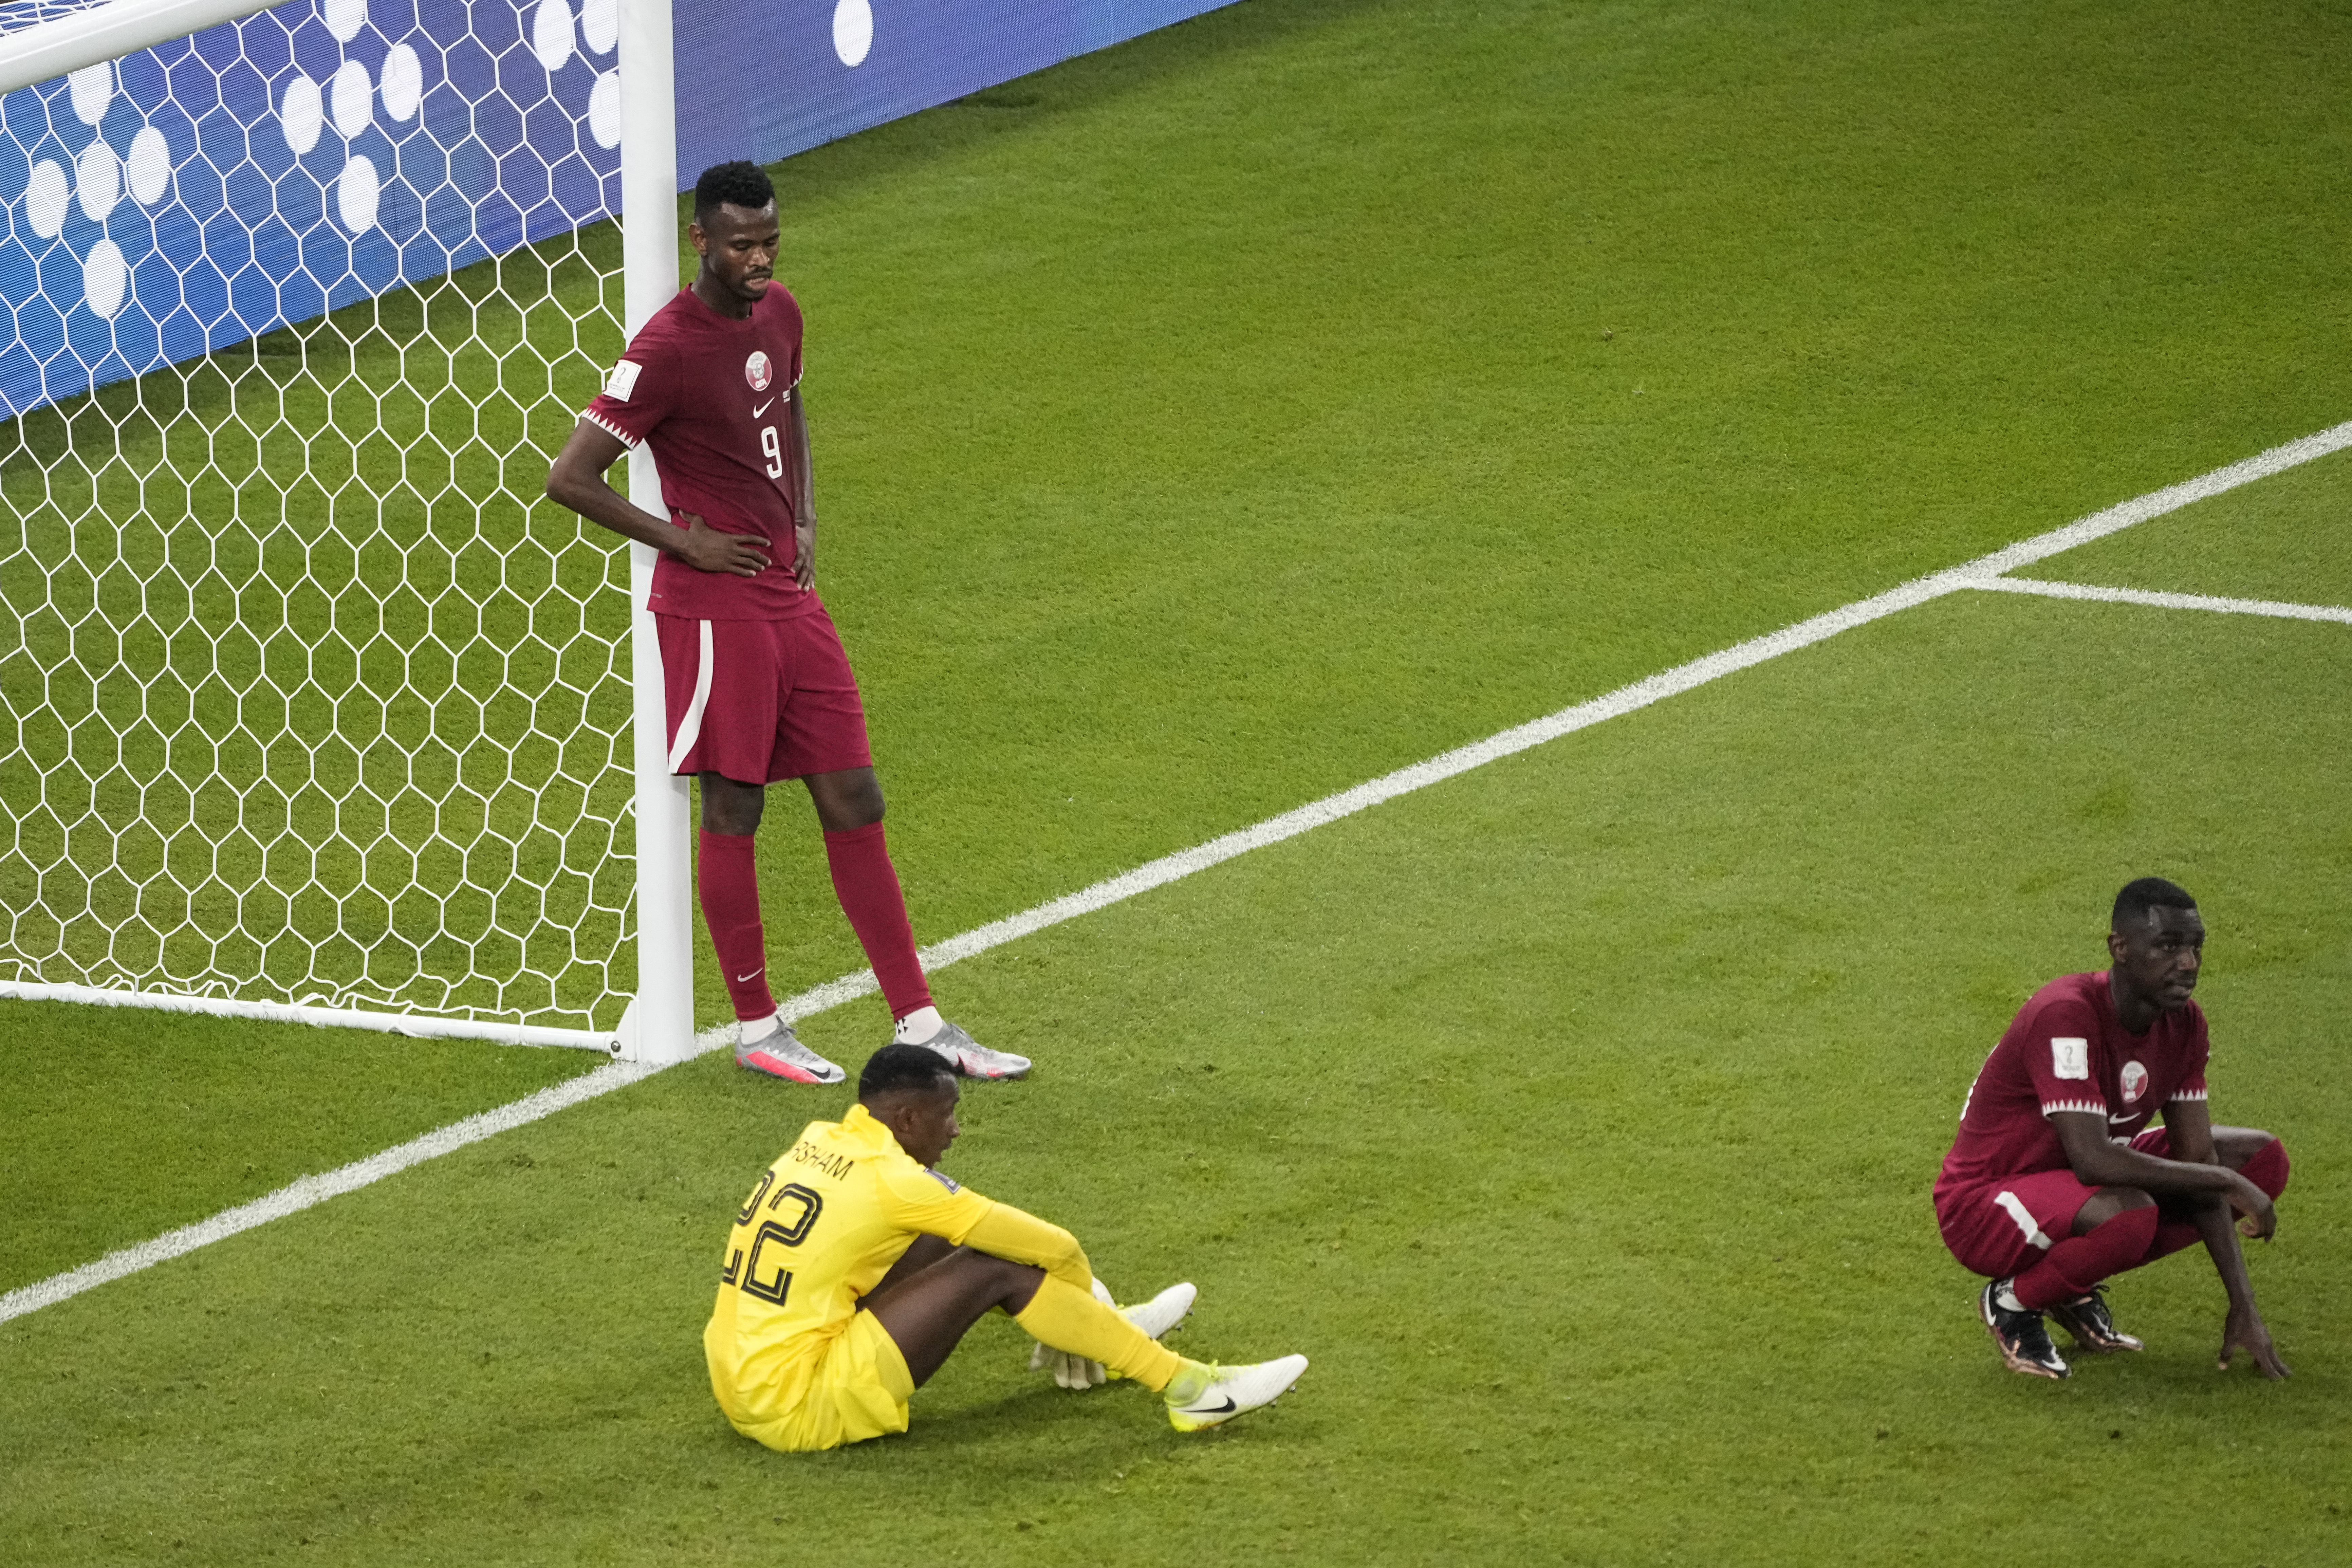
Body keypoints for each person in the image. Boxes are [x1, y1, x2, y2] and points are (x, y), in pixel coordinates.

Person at [546, 160, 1026, 1087]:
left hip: (788, 597)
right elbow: (570, 477)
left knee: (854, 794)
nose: (760, 258)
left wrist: (802, 515)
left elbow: (790, 401)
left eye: (770, 239)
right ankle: (758, 1023)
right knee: (737, 803)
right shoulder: (667, 348)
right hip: (715, 607)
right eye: (741, 244)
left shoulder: (783, 313)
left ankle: (920, 1019)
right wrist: (681, 541)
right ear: (701, 241)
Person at [703, 1044, 1310, 1451]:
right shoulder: (899, 1183)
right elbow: (1058, 1247)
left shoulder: (820, 1141)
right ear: (909, 1119)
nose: (956, 1130)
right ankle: (1193, 1390)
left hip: (742, 1381)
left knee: (952, 1238)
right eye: (948, 1114)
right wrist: (1084, 1309)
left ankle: (1105, 1331)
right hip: (799, 1406)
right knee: (994, 1265)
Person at [1934, 877, 2291, 1381]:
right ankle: (2013, 1301)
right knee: (2131, 1214)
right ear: (2119, 948)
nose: (2187, 963)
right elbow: (2093, 1158)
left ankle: (2065, 1282)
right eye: (2168, 946)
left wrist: (2243, 1305)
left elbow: (2198, 1159)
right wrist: (2226, 1183)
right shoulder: (2065, 1014)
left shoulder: (2184, 1024)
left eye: (2194, 948)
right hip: (1983, 1204)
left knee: (2259, 1161)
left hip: (2069, 1188)